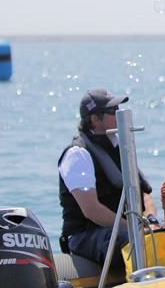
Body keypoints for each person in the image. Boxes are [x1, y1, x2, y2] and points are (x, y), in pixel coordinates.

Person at [58, 89, 159, 274]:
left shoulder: (120, 147)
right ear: (95, 119)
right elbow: (92, 210)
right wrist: (134, 228)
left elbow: (144, 193)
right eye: (113, 111)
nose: (119, 114)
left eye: (119, 108)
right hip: (86, 235)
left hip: (125, 228)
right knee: (132, 240)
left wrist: (151, 220)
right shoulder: (78, 154)